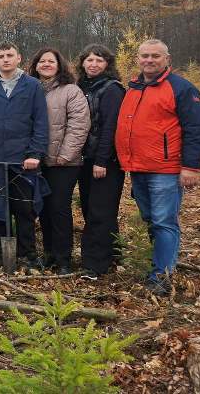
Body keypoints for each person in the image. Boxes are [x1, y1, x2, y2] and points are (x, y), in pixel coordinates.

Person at [115, 39, 200, 295]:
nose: (149, 60)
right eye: (144, 56)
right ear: (137, 59)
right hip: (139, 168)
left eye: (155, 56)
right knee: (151, 220)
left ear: (167, 58)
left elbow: (197, 129)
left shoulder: (181, 88)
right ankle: (158, 263)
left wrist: (191, 167)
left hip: (165, 170)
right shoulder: (134, 87)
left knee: (164, 221)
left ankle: (161, 276)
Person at [0, 41, 49, 270]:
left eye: (10, 55)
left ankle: (28, 254)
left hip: (22, 160)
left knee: (25, 209)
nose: (5, 59)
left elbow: (41, 122)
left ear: (18, 58)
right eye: (1, 56)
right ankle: (2, 251)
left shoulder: (32, 85)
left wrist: (35, 153)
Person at [28, 47, 90, 275]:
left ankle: (64, 258)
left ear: (59, 65)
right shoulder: (31, 89)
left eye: (50, 61)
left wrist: (66, 154)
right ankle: (50, 254)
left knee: (59, 207)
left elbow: (79, 125)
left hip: (63, 163)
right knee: (42, 207)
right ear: (35, 65)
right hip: (37, 160)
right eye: (41, 61)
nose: (46, 64)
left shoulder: (70, 91)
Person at [76, 44, 125, 278]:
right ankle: (113, 253)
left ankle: (94, 265)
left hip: (105, 160)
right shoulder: (80, 87)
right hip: (85, 158)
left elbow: (110, 128)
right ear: (82, 63)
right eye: (89, 60)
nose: (93, 64)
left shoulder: (112, 89)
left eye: (99, 60)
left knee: (99, 212)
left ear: (107, 64)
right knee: (91, 209)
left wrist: (102, 160)